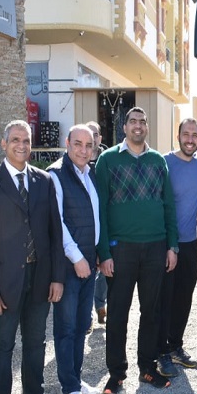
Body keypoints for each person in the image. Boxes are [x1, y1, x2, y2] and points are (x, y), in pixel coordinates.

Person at [0, 120, 66, 394]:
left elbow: (55, 233)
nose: (21, 146)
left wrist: (57, 277)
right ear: (4, 144)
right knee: (2, 346)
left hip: (40, 279)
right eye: (15, 140)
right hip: (3, 284)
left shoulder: (44, 181)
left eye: (26, 140)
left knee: (36, 342)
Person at [96, 106, 179, 392]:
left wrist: (172, 246)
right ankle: (117, 373)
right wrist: (103, 252)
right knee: (118, 313)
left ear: (147, 126)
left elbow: (169, 205)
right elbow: (100, 211)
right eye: (133, 121)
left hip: (156, 248)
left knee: (151, 311)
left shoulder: (158, 161)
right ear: (124, 127)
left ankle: (147, 367)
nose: (138, 126)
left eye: (143, 121)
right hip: (121, 250)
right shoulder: (107, 161)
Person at [47, 125, 102, 394]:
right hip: (70, 266)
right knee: (66, 328)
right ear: (67, 143)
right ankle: (68, 388)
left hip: (88, 264)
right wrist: (77, 258)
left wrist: (93, 256)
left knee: (81, 326)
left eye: (88, 145)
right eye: (78, 144)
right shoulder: (56, 175)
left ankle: (76, 379)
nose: (83, 150)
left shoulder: (89, 173)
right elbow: (57, 224)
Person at [156, 118, 197, 377]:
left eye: (195, 135)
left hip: (190, 243)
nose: (190, 139)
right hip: (167, 243)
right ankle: (160, 352)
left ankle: (175, 347)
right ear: (178, 136)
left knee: (184, 299)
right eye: (186, 134)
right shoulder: (165, 163)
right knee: (164, 300)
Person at [86, 120, 108, 327]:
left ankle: (100, 305)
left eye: (95, 134)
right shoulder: (78, 160)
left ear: (100, 138)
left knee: (104, 271)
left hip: (105, 225)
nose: (91, 138)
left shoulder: (108, 160)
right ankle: (88, 316)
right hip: (86, 228)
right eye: (88, 133)